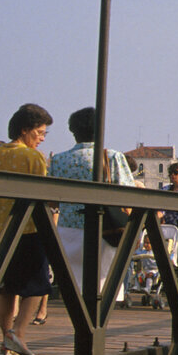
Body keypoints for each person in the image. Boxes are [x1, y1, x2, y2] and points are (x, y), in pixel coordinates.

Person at [0, 103, 53, 355]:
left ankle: (6, 337)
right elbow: (41, 193)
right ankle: (18, 334)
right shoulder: (34, 158)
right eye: (40, 133)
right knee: (36, 285)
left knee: (5, 288)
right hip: (26, 229)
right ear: (25, 131)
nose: (42, 139)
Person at [47, 107, 135, 298]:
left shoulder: (59, 160)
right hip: (104, 229)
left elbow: (51, 199)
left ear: (73, 131)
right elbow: (129, 195)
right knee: (103, 287)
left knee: (74, 287)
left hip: (68, 228)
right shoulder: (112, 157)